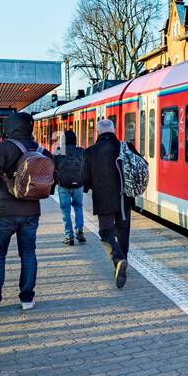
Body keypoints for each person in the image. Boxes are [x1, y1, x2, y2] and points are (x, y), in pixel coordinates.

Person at [0, 112, 49, 312]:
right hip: (31, 211)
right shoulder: (40, 149)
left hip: (3, 211)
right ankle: (27, 299)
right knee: (28, 254)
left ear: (9, 127)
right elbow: (52, 177)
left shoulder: (4, 147)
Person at [82, 118, 131, 289]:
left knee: (105, 232)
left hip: (103, 199)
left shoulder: (90, 152)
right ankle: (124, 259)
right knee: (123, 231)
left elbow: (84, 179)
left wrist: (88, 186)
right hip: (125, 198)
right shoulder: (126, 147)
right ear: (114, 131)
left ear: (98, 132)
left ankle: (118, 259)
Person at [53, 128, 87, 246]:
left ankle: (69, 236)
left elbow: (53, 168)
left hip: (64, 185)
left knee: (65, 211)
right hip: (78, 184)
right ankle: (80, 232)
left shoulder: (59, 151)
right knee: (78, 207)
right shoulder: (81, 151)